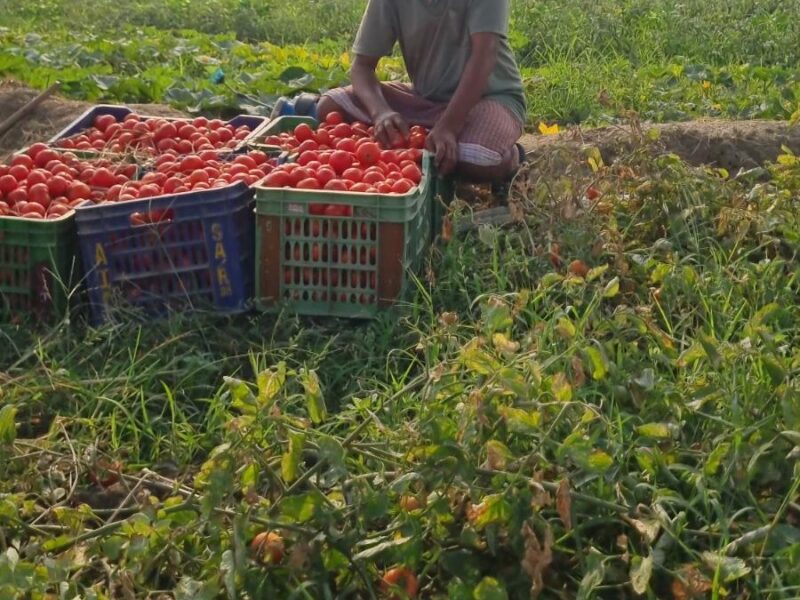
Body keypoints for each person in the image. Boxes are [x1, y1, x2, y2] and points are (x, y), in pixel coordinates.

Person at [316, 0, 527, 184]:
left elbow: (484, 55)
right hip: (425, 101)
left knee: (475, 159)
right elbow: (362, 67)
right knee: (330, 105)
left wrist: (449, 126)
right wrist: (380, 113)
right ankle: (431, 137)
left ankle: (512, 157)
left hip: (489, 99)